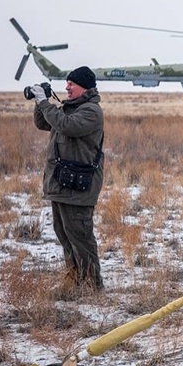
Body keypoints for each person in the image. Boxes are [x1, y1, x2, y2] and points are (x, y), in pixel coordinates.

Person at [30, 66, 105, 294]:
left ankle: (93, 285)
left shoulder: (91, 111)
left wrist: (45, 103)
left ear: (85, 87)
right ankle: (74, 279)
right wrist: (38, 100)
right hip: (62, 183)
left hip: (79, 185)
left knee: (80, 236)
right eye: (66, 83)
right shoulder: (69, 109)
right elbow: (44, 123)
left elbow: (66, 126)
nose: (67, 87)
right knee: (65, 234)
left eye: (71, 84)